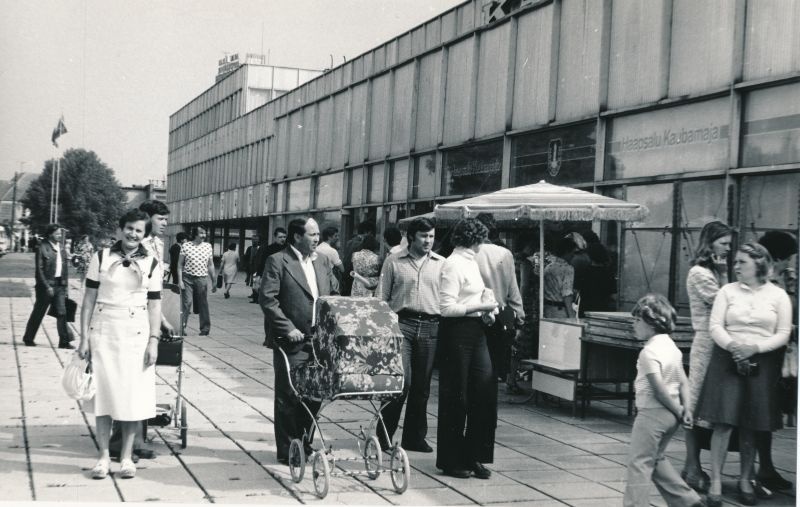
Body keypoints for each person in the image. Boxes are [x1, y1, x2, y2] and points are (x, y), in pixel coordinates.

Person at [696, 242, 792, 507]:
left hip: (762, 363)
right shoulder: (727, 291)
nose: (735, 266)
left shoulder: (778, 295)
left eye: (742, 262)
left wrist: (755, 348)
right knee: (723, 422)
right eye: (735, 262)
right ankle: (715, 481)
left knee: (751, 423)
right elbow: (715, 325)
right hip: (727, 360)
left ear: (759, 264)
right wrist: (734, 347)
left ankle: (745, 479)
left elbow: (783, 333)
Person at [77, 208, 163, 480]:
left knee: (131, 398)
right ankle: (103, 456)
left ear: (145, 235)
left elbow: (155, 305)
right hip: (104, 331)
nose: (133, 234)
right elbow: (88, 300)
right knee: (103, 398)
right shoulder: (101, 257)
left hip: (136, 334)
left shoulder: (151, 264)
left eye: (139, 230)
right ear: (120, 229)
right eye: (129, 228)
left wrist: (154, 340)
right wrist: (83, 337)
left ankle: (126, 457)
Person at [259, 217, 338, 465]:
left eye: (317, 235)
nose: (317, 239)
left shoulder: (323, 260)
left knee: (315, 393)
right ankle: (288, 450)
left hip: (319, 338)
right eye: (312, 234)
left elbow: (333, 293)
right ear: (296, 237)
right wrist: (288, 327)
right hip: (291, 339)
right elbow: (268, 299)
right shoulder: (278, 261)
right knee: (289, 394)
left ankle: (304, 442)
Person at [623, 293, 702, 507]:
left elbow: (658, 390)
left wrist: (678, 409)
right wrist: (685, 410)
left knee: (639, 463)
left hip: (651, 414)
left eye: (637, 320)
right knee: (656, 459)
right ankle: (687, 501)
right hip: (671, 417)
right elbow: (683, 381)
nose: (633, 324)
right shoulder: (672, 348)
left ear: (651, 323)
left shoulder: (648, 353)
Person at [437, 218, 499, 479]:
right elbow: (446, 308)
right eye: (482, 239)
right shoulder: (452, 264)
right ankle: (451, 460)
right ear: (474, 240)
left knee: (483, 393)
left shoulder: (471, 262)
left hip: (476, 331)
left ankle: (474, 455)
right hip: (457, 332)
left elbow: (474, 296)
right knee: (457, 397)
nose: (483, 244)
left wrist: (488, 307)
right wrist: (480, 307)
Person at [376, 217, 444, 453]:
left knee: (422, 386)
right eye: (424, 236)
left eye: (432, 237)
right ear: (412, 237)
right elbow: (381, 298)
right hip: (400, 325)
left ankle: (414, 438)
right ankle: (383, 436)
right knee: (400, 384)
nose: (429, 241)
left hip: (430, 326)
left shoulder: (441, 264)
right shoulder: (393, 261)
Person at [681, 221, 732, 494]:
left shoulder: (712, 271)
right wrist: (724, 274)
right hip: (706, 343)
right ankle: (692, 466)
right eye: (723, 243)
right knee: (696, 403)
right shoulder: (700, 273)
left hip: (719, 344)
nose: (728, 248)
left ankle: (695, 466)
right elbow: (727, 304)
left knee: (709, 407)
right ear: (710, 243)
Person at [754, 231, 798, 492]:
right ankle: (764, 469)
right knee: (764, 413)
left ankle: (766, 468)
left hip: (776, 355)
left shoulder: (773, 280)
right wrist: (790, 291)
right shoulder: (768, 284)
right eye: (790, 257)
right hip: (770, 356)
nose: (791, 263)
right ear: (779, 257)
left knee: (768, 414)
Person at [474, 213, 525, 383]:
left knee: (475, 368)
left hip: (473, 315)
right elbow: (513, 290)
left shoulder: (469, 253)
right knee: (495, 369)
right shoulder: (505, 254)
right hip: (500, 316)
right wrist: (519, 319)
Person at [22, 224, 75, 349]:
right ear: (50, 234)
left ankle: (64, 342)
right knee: (39, 312)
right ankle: (28, 338)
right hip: (46, 286)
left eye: (60, 233)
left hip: (60, 285)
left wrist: (65, 286)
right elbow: (39, 270)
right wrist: (46, 286)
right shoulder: (42, 247)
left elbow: (65, 269)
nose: (60, 235)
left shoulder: (61, 248)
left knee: (62, 312)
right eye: (57, 233)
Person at [177, 226, 216, 336]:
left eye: (205, 233)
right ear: (195, 234)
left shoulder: (208, 246)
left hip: (201, 279)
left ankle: (205, 328)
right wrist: (180, 281)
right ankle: (181, 327)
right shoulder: (186, 246)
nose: (204, 235)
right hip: (187, 278)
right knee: (187, 303)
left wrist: (214, 281)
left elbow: (210, 265)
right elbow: (179, 265)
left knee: (203, 303)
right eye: (201, 233)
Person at [542, 236, 578, 318]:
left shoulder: (548, 267)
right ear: (567, 251)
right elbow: (566, 293)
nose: (573, 255)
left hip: (547, 309)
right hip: (561, 310)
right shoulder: (568, 269)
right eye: (573, 252)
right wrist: (572, 315)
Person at [251, 228, 287, 303]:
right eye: (280, 237)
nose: (283, 239)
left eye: (284, 237)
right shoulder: (269, 249)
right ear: (275, 237)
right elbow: (263, 263)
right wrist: (259, 276)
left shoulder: (289, 249)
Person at [341, 221, 376, 296]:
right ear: (368, 232)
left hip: (347, 275)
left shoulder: (350, 242)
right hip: (356, 278)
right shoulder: (361, 244)